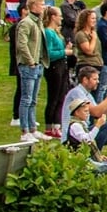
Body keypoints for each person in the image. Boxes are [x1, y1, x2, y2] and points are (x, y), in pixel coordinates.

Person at [14, 0, 47, 141]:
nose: (43, 7)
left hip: (38, 64)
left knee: (33, 99)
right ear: (33, 6)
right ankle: (25, 131)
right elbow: (22, 44)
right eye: (41, 4)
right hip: (29, 65)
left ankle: (33, 128)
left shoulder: (38, 22)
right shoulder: (26, 23)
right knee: (26, 99)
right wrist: (30, 61)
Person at [42, 9, 69, 140]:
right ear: (53, 17)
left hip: (62, 66)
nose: (62, 18)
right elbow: (49, 53)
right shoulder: (48, 32)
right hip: (54, 67)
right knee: (53, 97)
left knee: (61, 97)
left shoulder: (56, 32)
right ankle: (49, 127)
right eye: (60, 16)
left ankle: (57, 125)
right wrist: (64, 52)